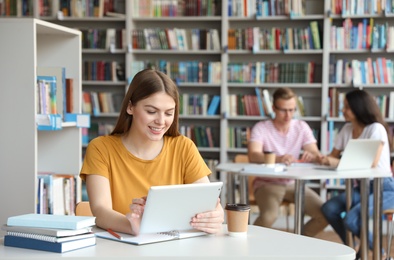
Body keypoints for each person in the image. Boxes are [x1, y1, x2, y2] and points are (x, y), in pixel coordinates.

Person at [80, 69, 224, 236]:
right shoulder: (101, 148)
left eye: (169, 113)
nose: (161, 121)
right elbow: (100, 210)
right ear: (130, 107)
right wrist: (133, 225)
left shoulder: (183, 147)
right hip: (121, 247)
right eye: (151, 111)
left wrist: (214, 216)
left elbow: (207, 203)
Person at [319, 89, 394, 257]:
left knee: (351, 219)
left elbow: (370, 163)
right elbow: (332, 157)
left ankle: (373, 251)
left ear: (359, 108)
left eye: (347, 107)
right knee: (329, 208)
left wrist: (335, 162)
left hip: (384, 188)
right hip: (362, 187)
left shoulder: (376, 128)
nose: (342, 110)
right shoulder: (346, 129)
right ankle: (353, 249)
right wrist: (319, 158)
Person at [247, 87, 328, 237]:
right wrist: (278, 158)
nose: (288, 115)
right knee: (269, 216)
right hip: (267, 183)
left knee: (325, 214)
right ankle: (248, 245)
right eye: (283, 110)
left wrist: (314, 155)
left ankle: (297, 242)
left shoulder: (301, 127)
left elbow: (314, 151)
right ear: (273, 108)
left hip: (293, 183)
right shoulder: (261, 128)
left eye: (292, 110)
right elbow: (254, 155)